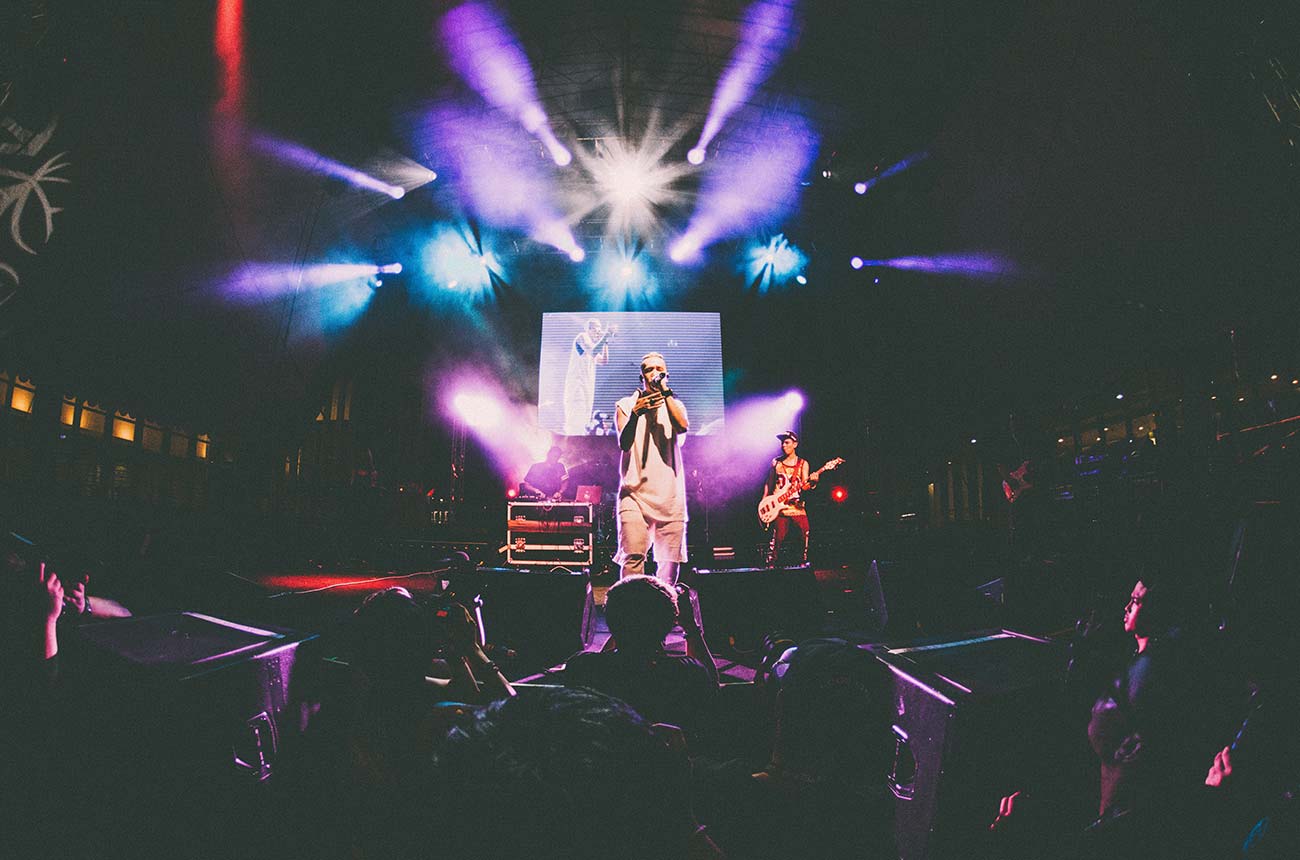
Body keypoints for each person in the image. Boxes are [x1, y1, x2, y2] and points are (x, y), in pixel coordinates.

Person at [562, 575, 718, 739]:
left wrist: (624, 621)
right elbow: (711, 684)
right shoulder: (687, 673)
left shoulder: (582, 667)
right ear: (672, 620)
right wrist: (690, 625)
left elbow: (607, 660)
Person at [614, 352, 688, 584]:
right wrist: (636, 413)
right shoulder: (626, 405)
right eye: (649, 369)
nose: (655, 373)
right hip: (634, 494)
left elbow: (682, 427)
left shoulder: (675, 406)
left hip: (670, 496)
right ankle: (630, 612)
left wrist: (665, 393)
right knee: (634, 557)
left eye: (659, 369)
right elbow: (624, 443)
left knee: (669, 565)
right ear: (642, 376)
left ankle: (663, 612)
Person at [763, 431, 817, 566]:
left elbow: (804, 486)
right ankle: (770, 565)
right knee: (777, 538)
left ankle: (802, 564)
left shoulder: (803, 463)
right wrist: (763, 503)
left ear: (795, 444)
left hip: (796, 505)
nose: (783, 445)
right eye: (782, 443)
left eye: (787, 442)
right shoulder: (776, 462)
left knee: (804, 533)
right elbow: (769, 483)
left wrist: (814, 481)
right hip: (779, 506)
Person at [563, 318, 615, 435]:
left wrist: (605, 342)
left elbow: (604, 361)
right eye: (597, 329)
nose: (599, 332)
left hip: (587, 388)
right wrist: (605, 335)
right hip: (577, 387)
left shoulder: (591, 346)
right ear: (589, 329)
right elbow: (593, 351)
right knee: (576, 422)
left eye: (601, 329)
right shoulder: (582, 337)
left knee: (585, 422)